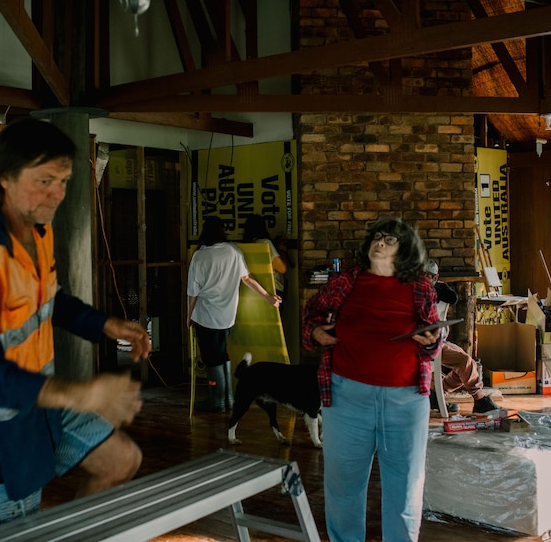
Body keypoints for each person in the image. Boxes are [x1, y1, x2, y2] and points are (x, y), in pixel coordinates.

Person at [0, 118, 151, 533]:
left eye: (63, 180)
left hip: (35, 405)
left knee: (120, 460)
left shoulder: (35, 231)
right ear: (5, 178)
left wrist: (105, 324)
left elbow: (49, 301)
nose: (58, 194)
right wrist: (82, 393)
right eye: (45, 180)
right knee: (18, 530)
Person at [302, 218, 442, 542]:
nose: (379, 242)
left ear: (405, 250)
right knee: (343, 487)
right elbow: (312, 313)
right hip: (347, 398)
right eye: (377, 238)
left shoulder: (420, 285)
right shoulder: (347, 280)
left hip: (406, 401)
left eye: (389, 239)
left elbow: (435, 337)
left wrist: (432, 339)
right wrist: (315, 332)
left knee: (405, 488)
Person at [187, 216, 281, 412]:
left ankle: (217, 401)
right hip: (227, 316)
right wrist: (268, 297)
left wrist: (188, 316)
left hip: (205, 316)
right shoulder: (233, 251)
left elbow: (192, 292)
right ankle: (228, 398)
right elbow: (246, 278)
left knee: (211, 359)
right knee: (222, 354)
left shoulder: (199, 256)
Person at [423, 259, 499, 414]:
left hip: (439, 341)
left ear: (435, 277)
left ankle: (436, 395)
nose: (423, 279)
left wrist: (437, 286)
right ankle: (479, 400)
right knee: (465, 362)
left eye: (427, 276)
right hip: (424, 344)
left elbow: (453, 297)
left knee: (467, 362)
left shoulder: (436, 288)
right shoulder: (415, 292)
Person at [242, 214, 288, 300]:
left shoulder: (245, 246)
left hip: (253, 290)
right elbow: (282, 268)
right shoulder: (265, 243)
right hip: (273, 290)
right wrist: (282, 252)